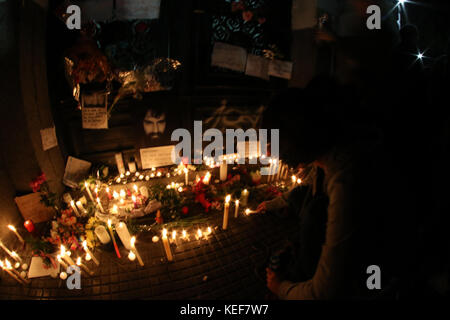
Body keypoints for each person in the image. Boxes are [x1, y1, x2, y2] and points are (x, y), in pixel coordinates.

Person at [259, 78, 389, 299]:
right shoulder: (325, 157)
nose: (270, 154)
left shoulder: (346, 179)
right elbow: (301, 192)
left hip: (369, 277)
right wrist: (275, 204)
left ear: (293, 137)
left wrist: (280, 287)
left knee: (312, 211)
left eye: (273, 145)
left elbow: (325, 291)